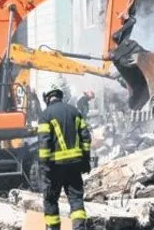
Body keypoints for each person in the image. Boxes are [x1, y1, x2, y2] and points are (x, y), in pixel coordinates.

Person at [38, 85, 91, 230]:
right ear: (61, 97)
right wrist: (86, 161)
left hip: (55, 166)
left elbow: (44, 144)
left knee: (50, 199)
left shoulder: (45, 115)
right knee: (76, 199)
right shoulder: (75, 111)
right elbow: (86, 138)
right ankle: (79, 228)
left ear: (48, 99)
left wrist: (44, 167)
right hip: (75, 165)